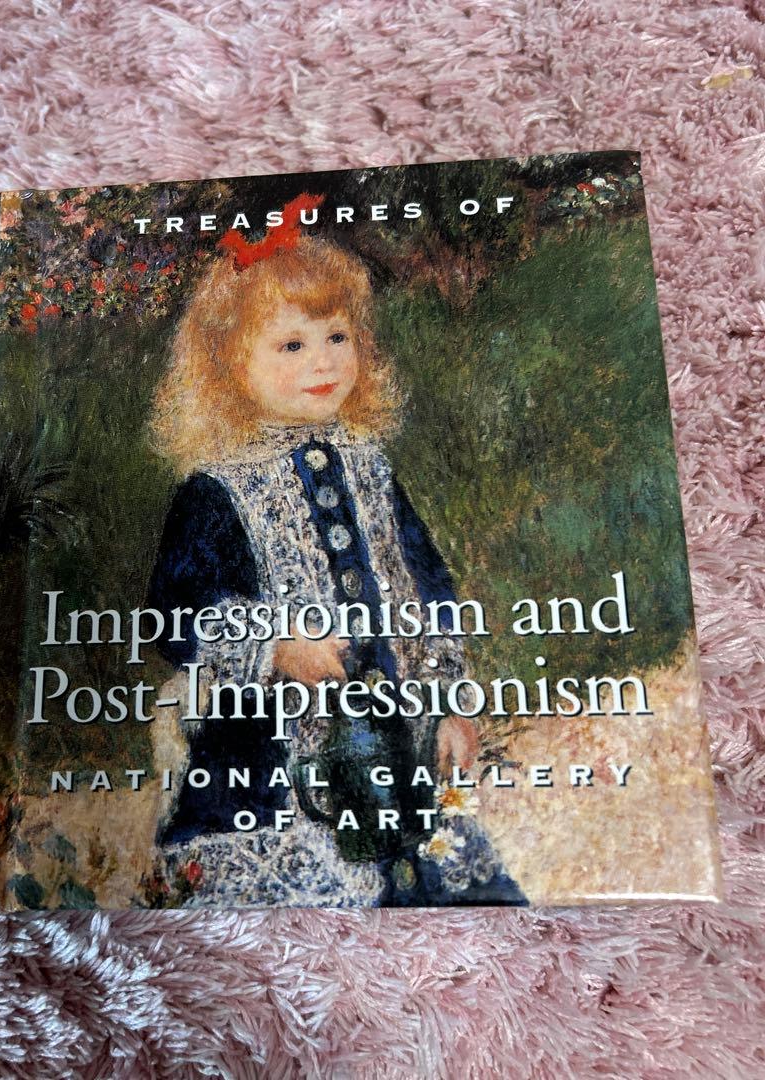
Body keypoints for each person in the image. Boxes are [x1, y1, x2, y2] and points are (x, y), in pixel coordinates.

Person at [141, 194, 525, 907]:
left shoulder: (370, 466)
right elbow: (172, 615)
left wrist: (448, 705)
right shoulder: (216, 490)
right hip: (267, 763)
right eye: (291, 346)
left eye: (337, 337)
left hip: (398, 735)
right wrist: (276, 647)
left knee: (449, 887)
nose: (322, 361)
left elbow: (432, 589)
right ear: (230, 366)